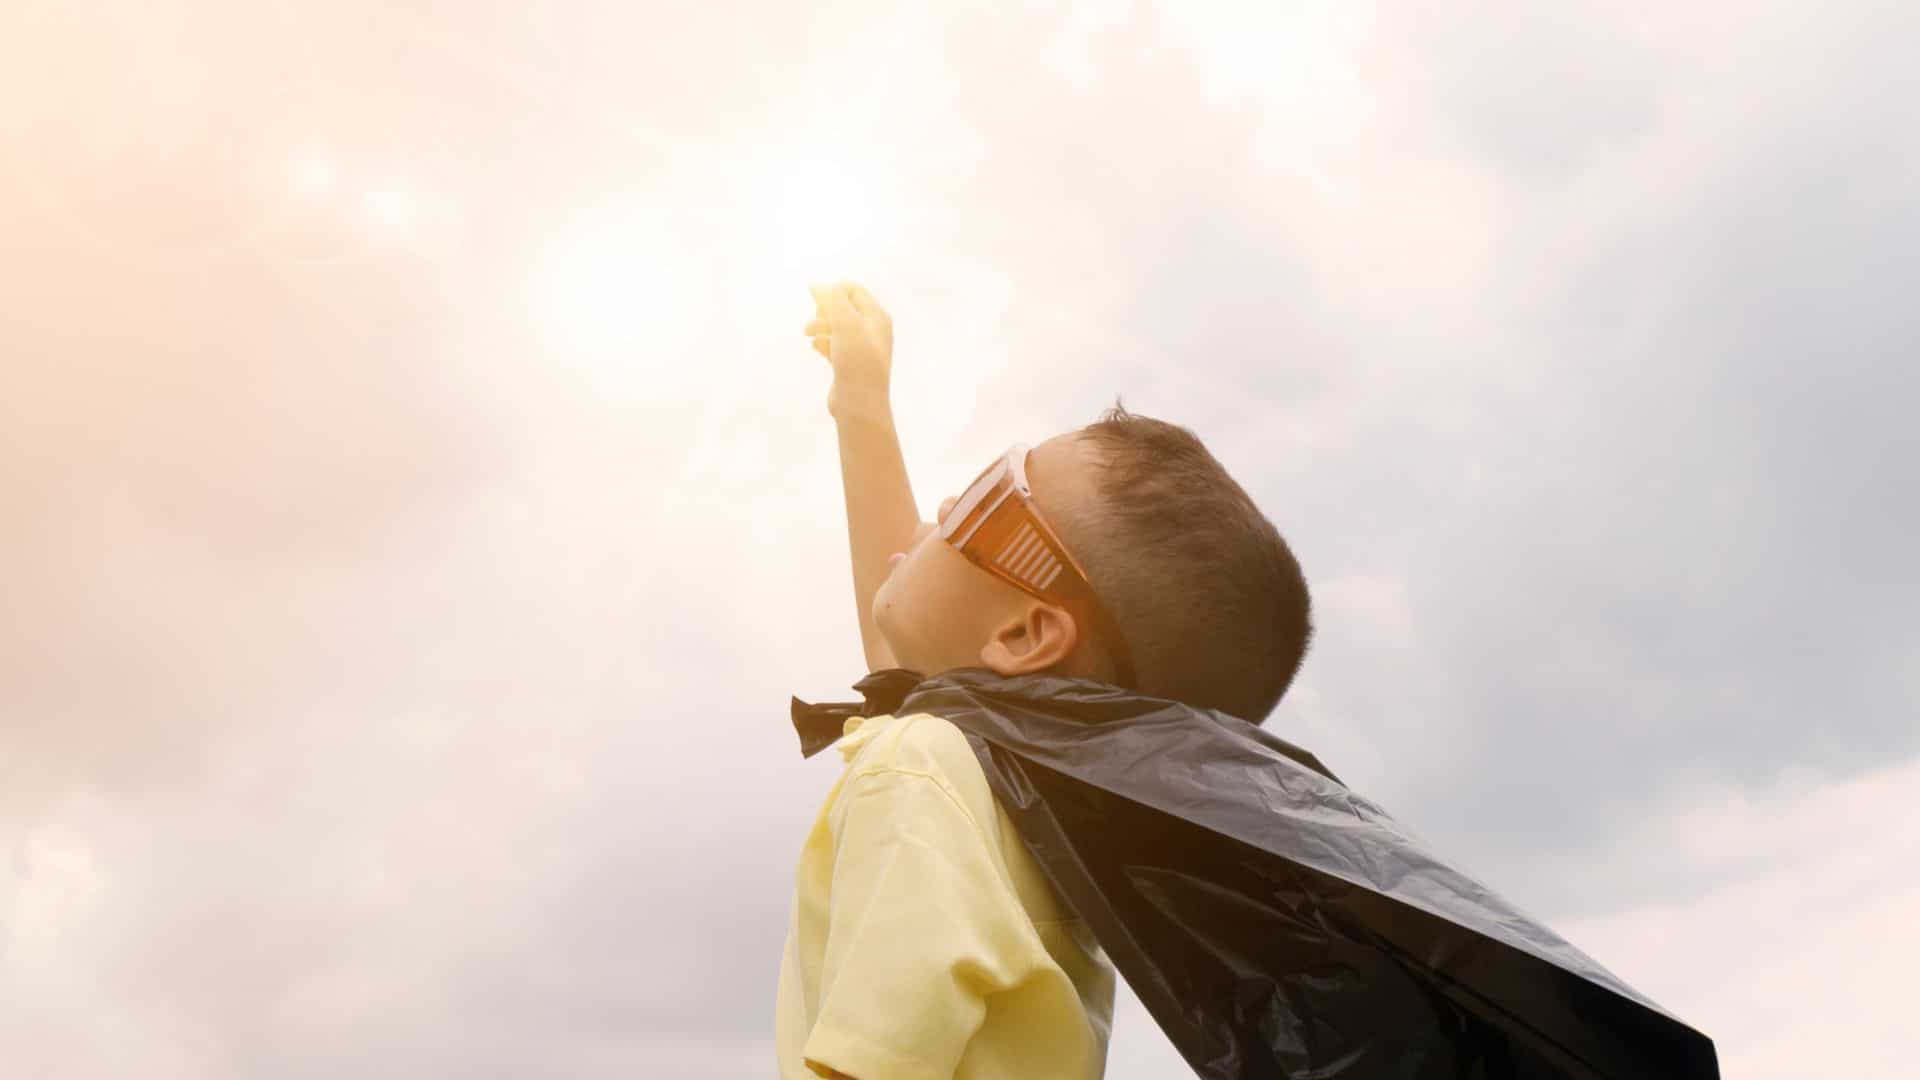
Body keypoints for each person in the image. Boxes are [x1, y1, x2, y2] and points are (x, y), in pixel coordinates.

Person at [774, 282, 1314, 1080]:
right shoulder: (1031, 797)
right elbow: (909, 647)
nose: (951, 499)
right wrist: (861, 404)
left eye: (990, 500)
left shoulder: (922, 769)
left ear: (1026, 634)